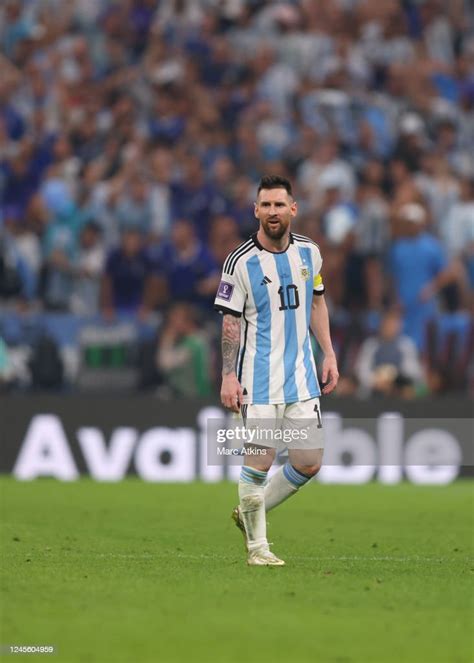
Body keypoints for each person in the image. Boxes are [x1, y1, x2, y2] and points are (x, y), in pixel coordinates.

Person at [214, 175, 339, 566]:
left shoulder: (310, 254)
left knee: (308, 461)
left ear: (293, 209)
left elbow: (316, 303)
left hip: (301, 377)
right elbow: (230, 322)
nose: (272, 212)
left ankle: (249, 511)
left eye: (279, 205)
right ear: (256, 210)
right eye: (265, 205)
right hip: (258, 380)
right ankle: (258, 549)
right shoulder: (239, 262)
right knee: (260, 462)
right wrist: (228, 375)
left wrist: (329, 353)